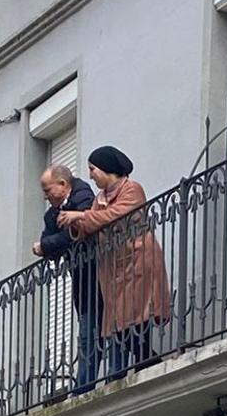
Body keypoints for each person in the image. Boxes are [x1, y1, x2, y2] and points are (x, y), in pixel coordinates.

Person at [59, 148, 171, 380]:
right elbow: (90, 226)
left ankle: (146, 363)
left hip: (139, 260)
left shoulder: (132, 189)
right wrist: (74, 225)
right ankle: (145, 364)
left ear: (106, 168)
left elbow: (114, 216)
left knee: (137, 318)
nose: (90, 175)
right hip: (116, 269)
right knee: (119, 324)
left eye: (93, 169)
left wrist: (79, 217)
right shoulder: (100, 199)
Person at [34, 163, 101, 394]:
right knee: (88, 332)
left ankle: (84, 385)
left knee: (94, 332)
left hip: (98, 273)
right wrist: (48, 246)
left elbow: (73, 235)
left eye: (47, 190)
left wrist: (45, 245)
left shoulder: (83, 196)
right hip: (81, 277)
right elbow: (54, 241)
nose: (46, 196)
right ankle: (84, 383)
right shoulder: (52, 214)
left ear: (63, 184)